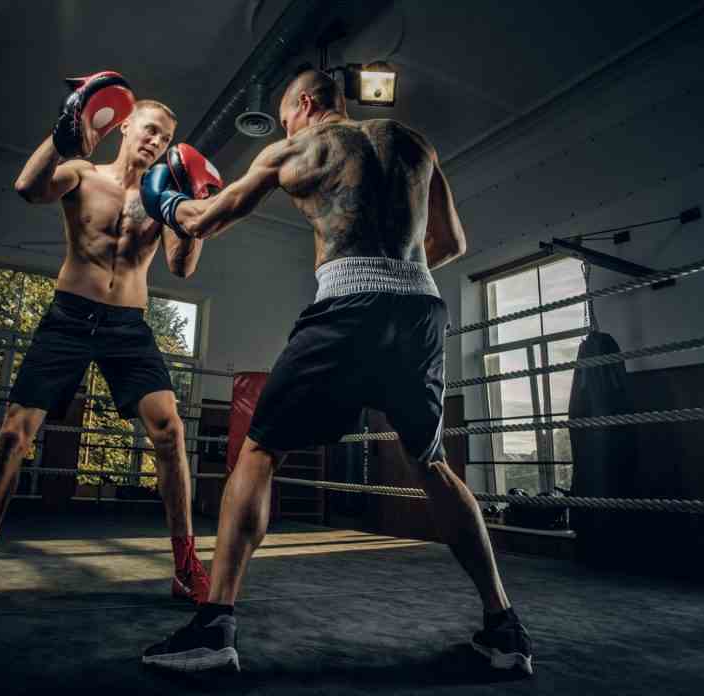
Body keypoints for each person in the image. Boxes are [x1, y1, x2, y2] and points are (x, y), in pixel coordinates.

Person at [139, 69, 533, 675]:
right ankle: (505, 629)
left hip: (348, 305)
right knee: (431, 464)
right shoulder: (413, 142)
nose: (284, 126)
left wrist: (165, 196)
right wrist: (393, 272)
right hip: (421, 309)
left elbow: (201, 220)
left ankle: (213, 627)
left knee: (259, 452)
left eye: (284, 115)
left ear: (305, 104)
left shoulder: (297, 149)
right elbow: (450, 242)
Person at [0, 71, 221, 606]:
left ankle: (186, 563)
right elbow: (27, 188)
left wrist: (194, 212)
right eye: (150, 129)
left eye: (164, 137)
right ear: (125, 126)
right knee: (13, 436)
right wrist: (61, 133)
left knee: (170, 432)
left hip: (127, 327)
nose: (156, 141)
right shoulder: (84, 173)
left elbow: (182, 269)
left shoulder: (163, 195)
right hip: (69, 317)